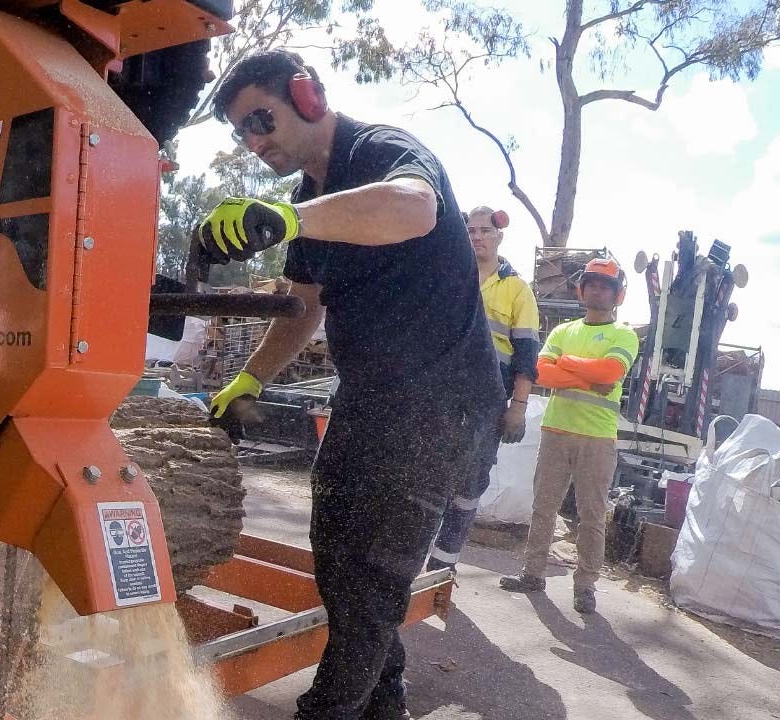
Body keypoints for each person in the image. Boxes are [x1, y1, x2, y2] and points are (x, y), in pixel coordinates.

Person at [199, 50, 502, 719]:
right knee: (337, 563)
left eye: (260, 118)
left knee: (370, 582)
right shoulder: (309, 202)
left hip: (441, 404)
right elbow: (303, 306)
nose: (253, 141)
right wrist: (247, 379)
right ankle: (384, 703)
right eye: (240, 132)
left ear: (306, 95)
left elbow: (416, 208)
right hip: (371, 400)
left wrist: (291, 220)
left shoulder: (382, 152)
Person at [498, 258, 639, 615]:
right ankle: (533, 573)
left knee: (591, 516)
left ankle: (585, 586)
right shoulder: (563, 331)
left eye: (605, 286)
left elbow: (611, 371)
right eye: (591, 283)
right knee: (543, 507)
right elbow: (542, 373)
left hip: (597, 438)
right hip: (557, 431)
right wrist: (590, 377)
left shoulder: (624, 335)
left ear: (617, 294)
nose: (597, 290)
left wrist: (569, 366)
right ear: (581, 289)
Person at [427, 206, 542, 571]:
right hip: (441, 394)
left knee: (469, 482)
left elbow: (526, 356)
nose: (477, 237)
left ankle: (443, 567)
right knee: (427, 474)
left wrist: (518, 407)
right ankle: (409, 562)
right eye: (471, 231)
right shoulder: (451, 276)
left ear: (499, 237)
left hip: (486, 401)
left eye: (485, 231)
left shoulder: (517, 290)